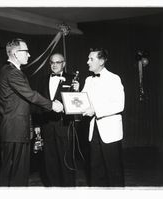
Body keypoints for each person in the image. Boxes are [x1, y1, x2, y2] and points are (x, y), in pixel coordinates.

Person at [0, 38, 63, 186]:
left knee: (13, 171)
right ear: (15, 53)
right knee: (16, 172)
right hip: (15, 130)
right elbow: (31, 95)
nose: (29, 55)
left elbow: (24, 101)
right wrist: (52, 105)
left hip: (15, 130)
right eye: (26, 51)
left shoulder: (10, 71)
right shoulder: (11, 72)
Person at [81, 48, 125, 187]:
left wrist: (95, 110)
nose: (87, 62)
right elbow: (83, 100)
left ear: (101, 61)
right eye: (88, 58)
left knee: (114, 169)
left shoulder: (114, 78)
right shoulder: (88, 79)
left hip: (110, 130)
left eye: (91, 59)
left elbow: (119, 105)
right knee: (95, 168)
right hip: (94, 129)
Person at [35, 53, 79, 186]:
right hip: (47, 126)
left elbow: (76, 103)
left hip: (64, 126)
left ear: (64, 64)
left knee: (66, 160)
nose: (54, 65)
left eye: (58, 62)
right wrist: (37, 124)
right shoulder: (42, 80)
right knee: (49, 160)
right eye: (52, 62)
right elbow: (37, 104)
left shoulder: (72, 79)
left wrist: (77, 91)